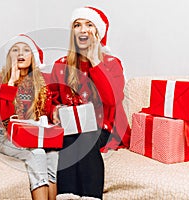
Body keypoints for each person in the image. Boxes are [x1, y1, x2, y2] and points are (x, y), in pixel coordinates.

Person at [48, 6, 131, 200]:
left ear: (98, 33)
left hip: (104, 127)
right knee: (68, 138)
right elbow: (50, 98)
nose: (83, 29)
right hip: (72, 127)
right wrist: (54, 110)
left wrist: (95, 61)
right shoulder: (61, 64)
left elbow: (111, 101)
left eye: (89, 24)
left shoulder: (112, 63)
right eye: (77, 25)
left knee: (86, 136)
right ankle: (66, 197)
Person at [0, 34, 58, 200]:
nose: (20, 53)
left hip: (31, 135)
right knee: (37, 154)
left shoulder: (40, 84)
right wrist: (11, 82)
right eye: (15, 50)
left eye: (26, 50)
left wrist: (55, 110)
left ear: (32, 57)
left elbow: (44, 116)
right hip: (5, 135)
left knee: (53, 153)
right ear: (9, 56)